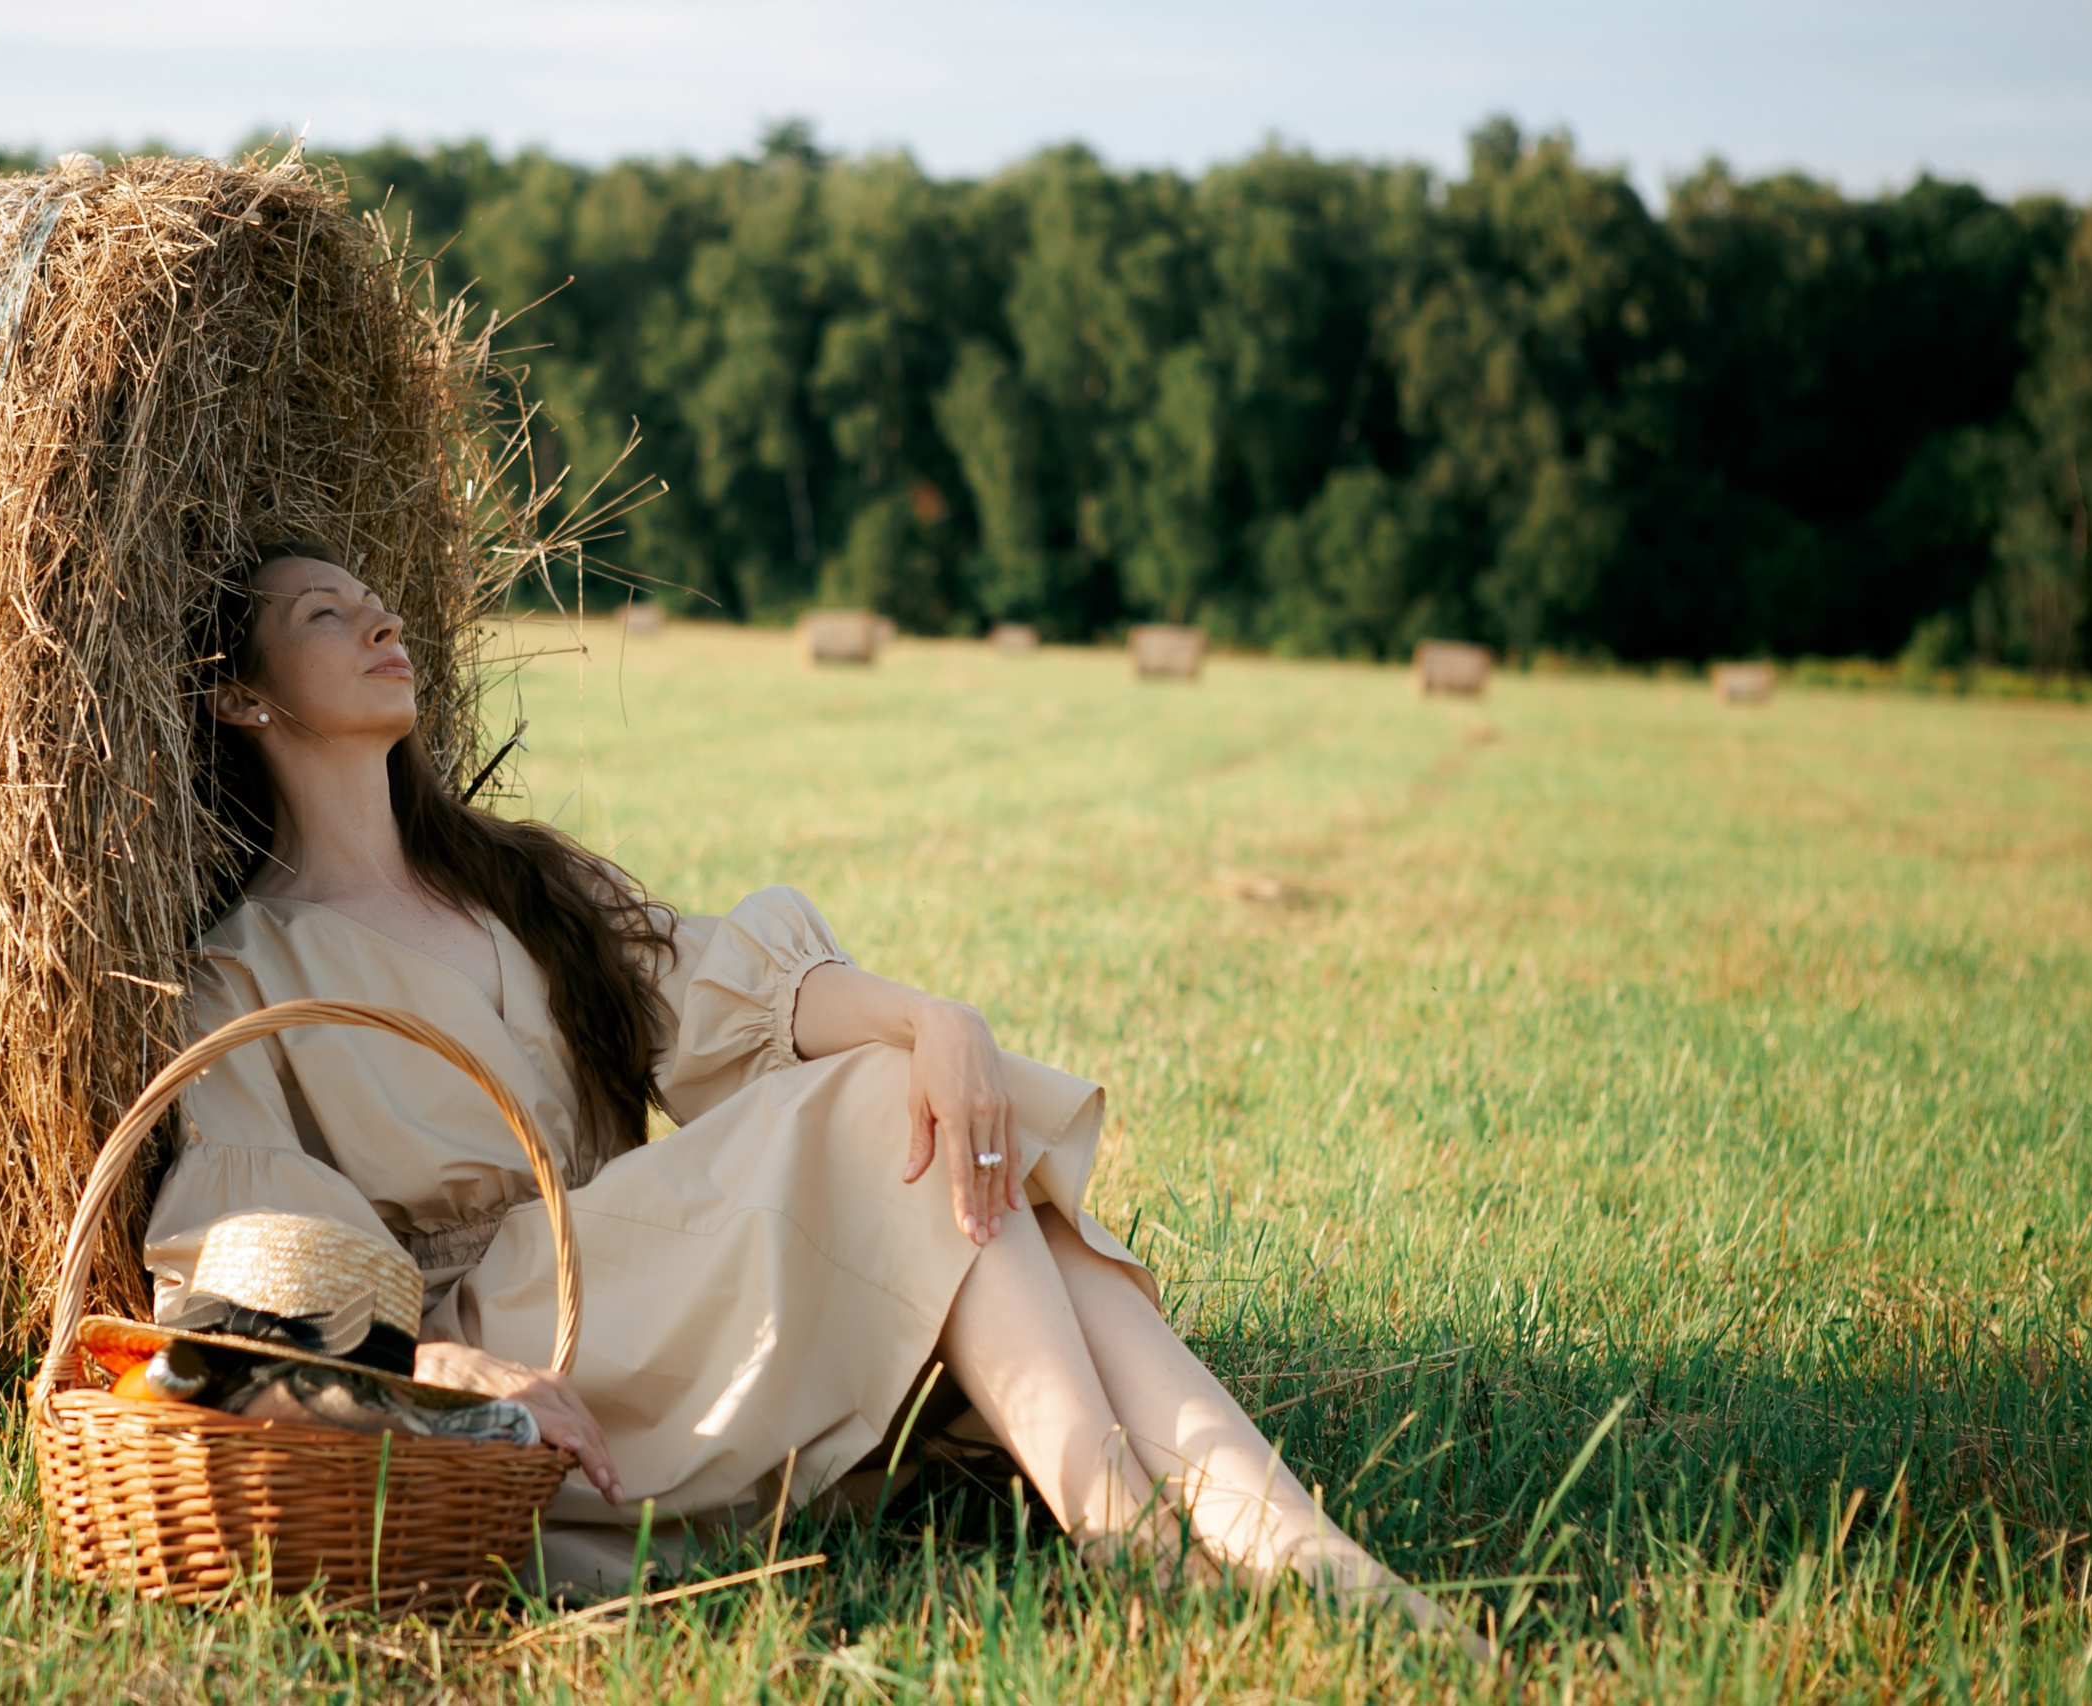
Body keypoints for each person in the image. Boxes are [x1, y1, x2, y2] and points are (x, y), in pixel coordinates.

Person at [141, 539, 1452, 1631]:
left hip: (657, 1284)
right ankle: (1125, 1530)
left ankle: (1307, 1553)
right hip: (519, 1344)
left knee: (939, 1127)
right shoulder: (244, 971)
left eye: (376, 597)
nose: (381, 617)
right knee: (902, 1120)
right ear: (240, 695)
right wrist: (440, 1361)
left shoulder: (522, 879)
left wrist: (931, 1018)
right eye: (327, 612)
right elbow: (258, 1262)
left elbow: (720, 985)